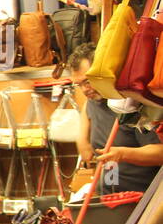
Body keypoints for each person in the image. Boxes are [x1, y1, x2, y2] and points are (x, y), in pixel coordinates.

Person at [68, 43, 163, 194]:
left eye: (87, 81)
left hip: (142, 199)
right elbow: (86, 154)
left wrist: (122, 154)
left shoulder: (131, 104)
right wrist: (83, 134)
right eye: (79, 85)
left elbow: (160, 153)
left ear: (102, 74)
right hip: (109, 194)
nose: (85, 90)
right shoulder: (92, 103)